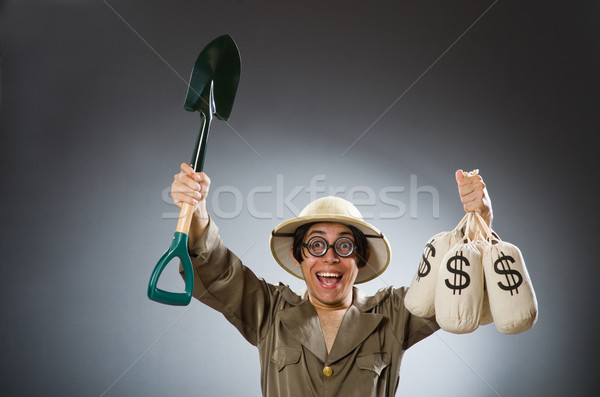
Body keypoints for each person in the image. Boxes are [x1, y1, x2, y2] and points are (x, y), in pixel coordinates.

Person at [171, 163, 493, 397]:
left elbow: (457, 288)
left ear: (360, 258)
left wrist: (478, 222)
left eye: (344, 246)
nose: (329, 257)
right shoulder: (269, 312)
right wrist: (197, 212)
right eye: (315, 245)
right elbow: (218, 271)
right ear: (299, 257)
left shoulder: (394, 316)